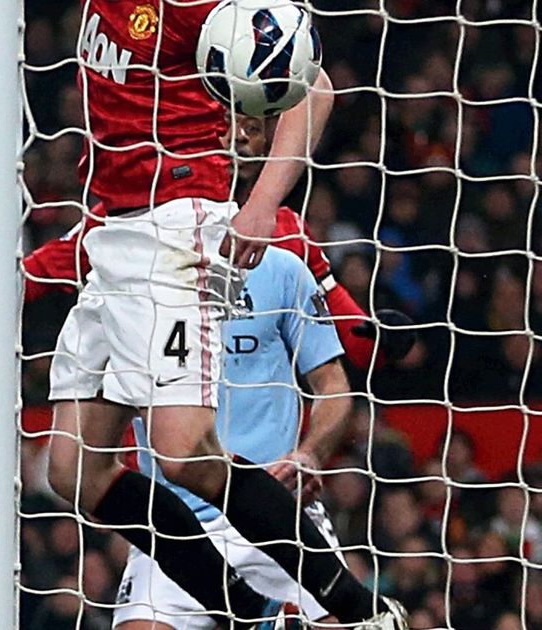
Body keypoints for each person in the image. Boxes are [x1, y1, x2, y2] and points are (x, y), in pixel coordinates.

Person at [41, 2, 407, 628]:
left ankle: (359, 610)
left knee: (182, 451)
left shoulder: (198, 5)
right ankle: (250, 613)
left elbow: (314, 85)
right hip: (113, 234)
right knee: (75, 470)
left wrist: (262, 204)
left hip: (176, 228)